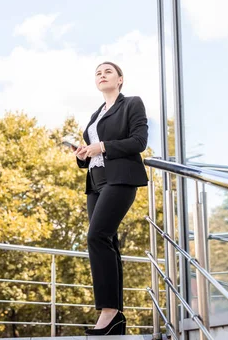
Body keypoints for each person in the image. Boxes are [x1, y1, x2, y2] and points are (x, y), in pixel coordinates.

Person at [72, 61, 149, 336]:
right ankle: (115, 317)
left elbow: (139, 142)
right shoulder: (95, 116)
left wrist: (102, 146)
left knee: (97, 236)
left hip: (121, 178)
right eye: (97, 73)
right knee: (107, 241)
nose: (101, 75)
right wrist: (83, 154)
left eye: (107, 72)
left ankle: (108, 311)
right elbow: (93, 152)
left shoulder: (131, 104)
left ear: (120, 79)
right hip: (96, 182)